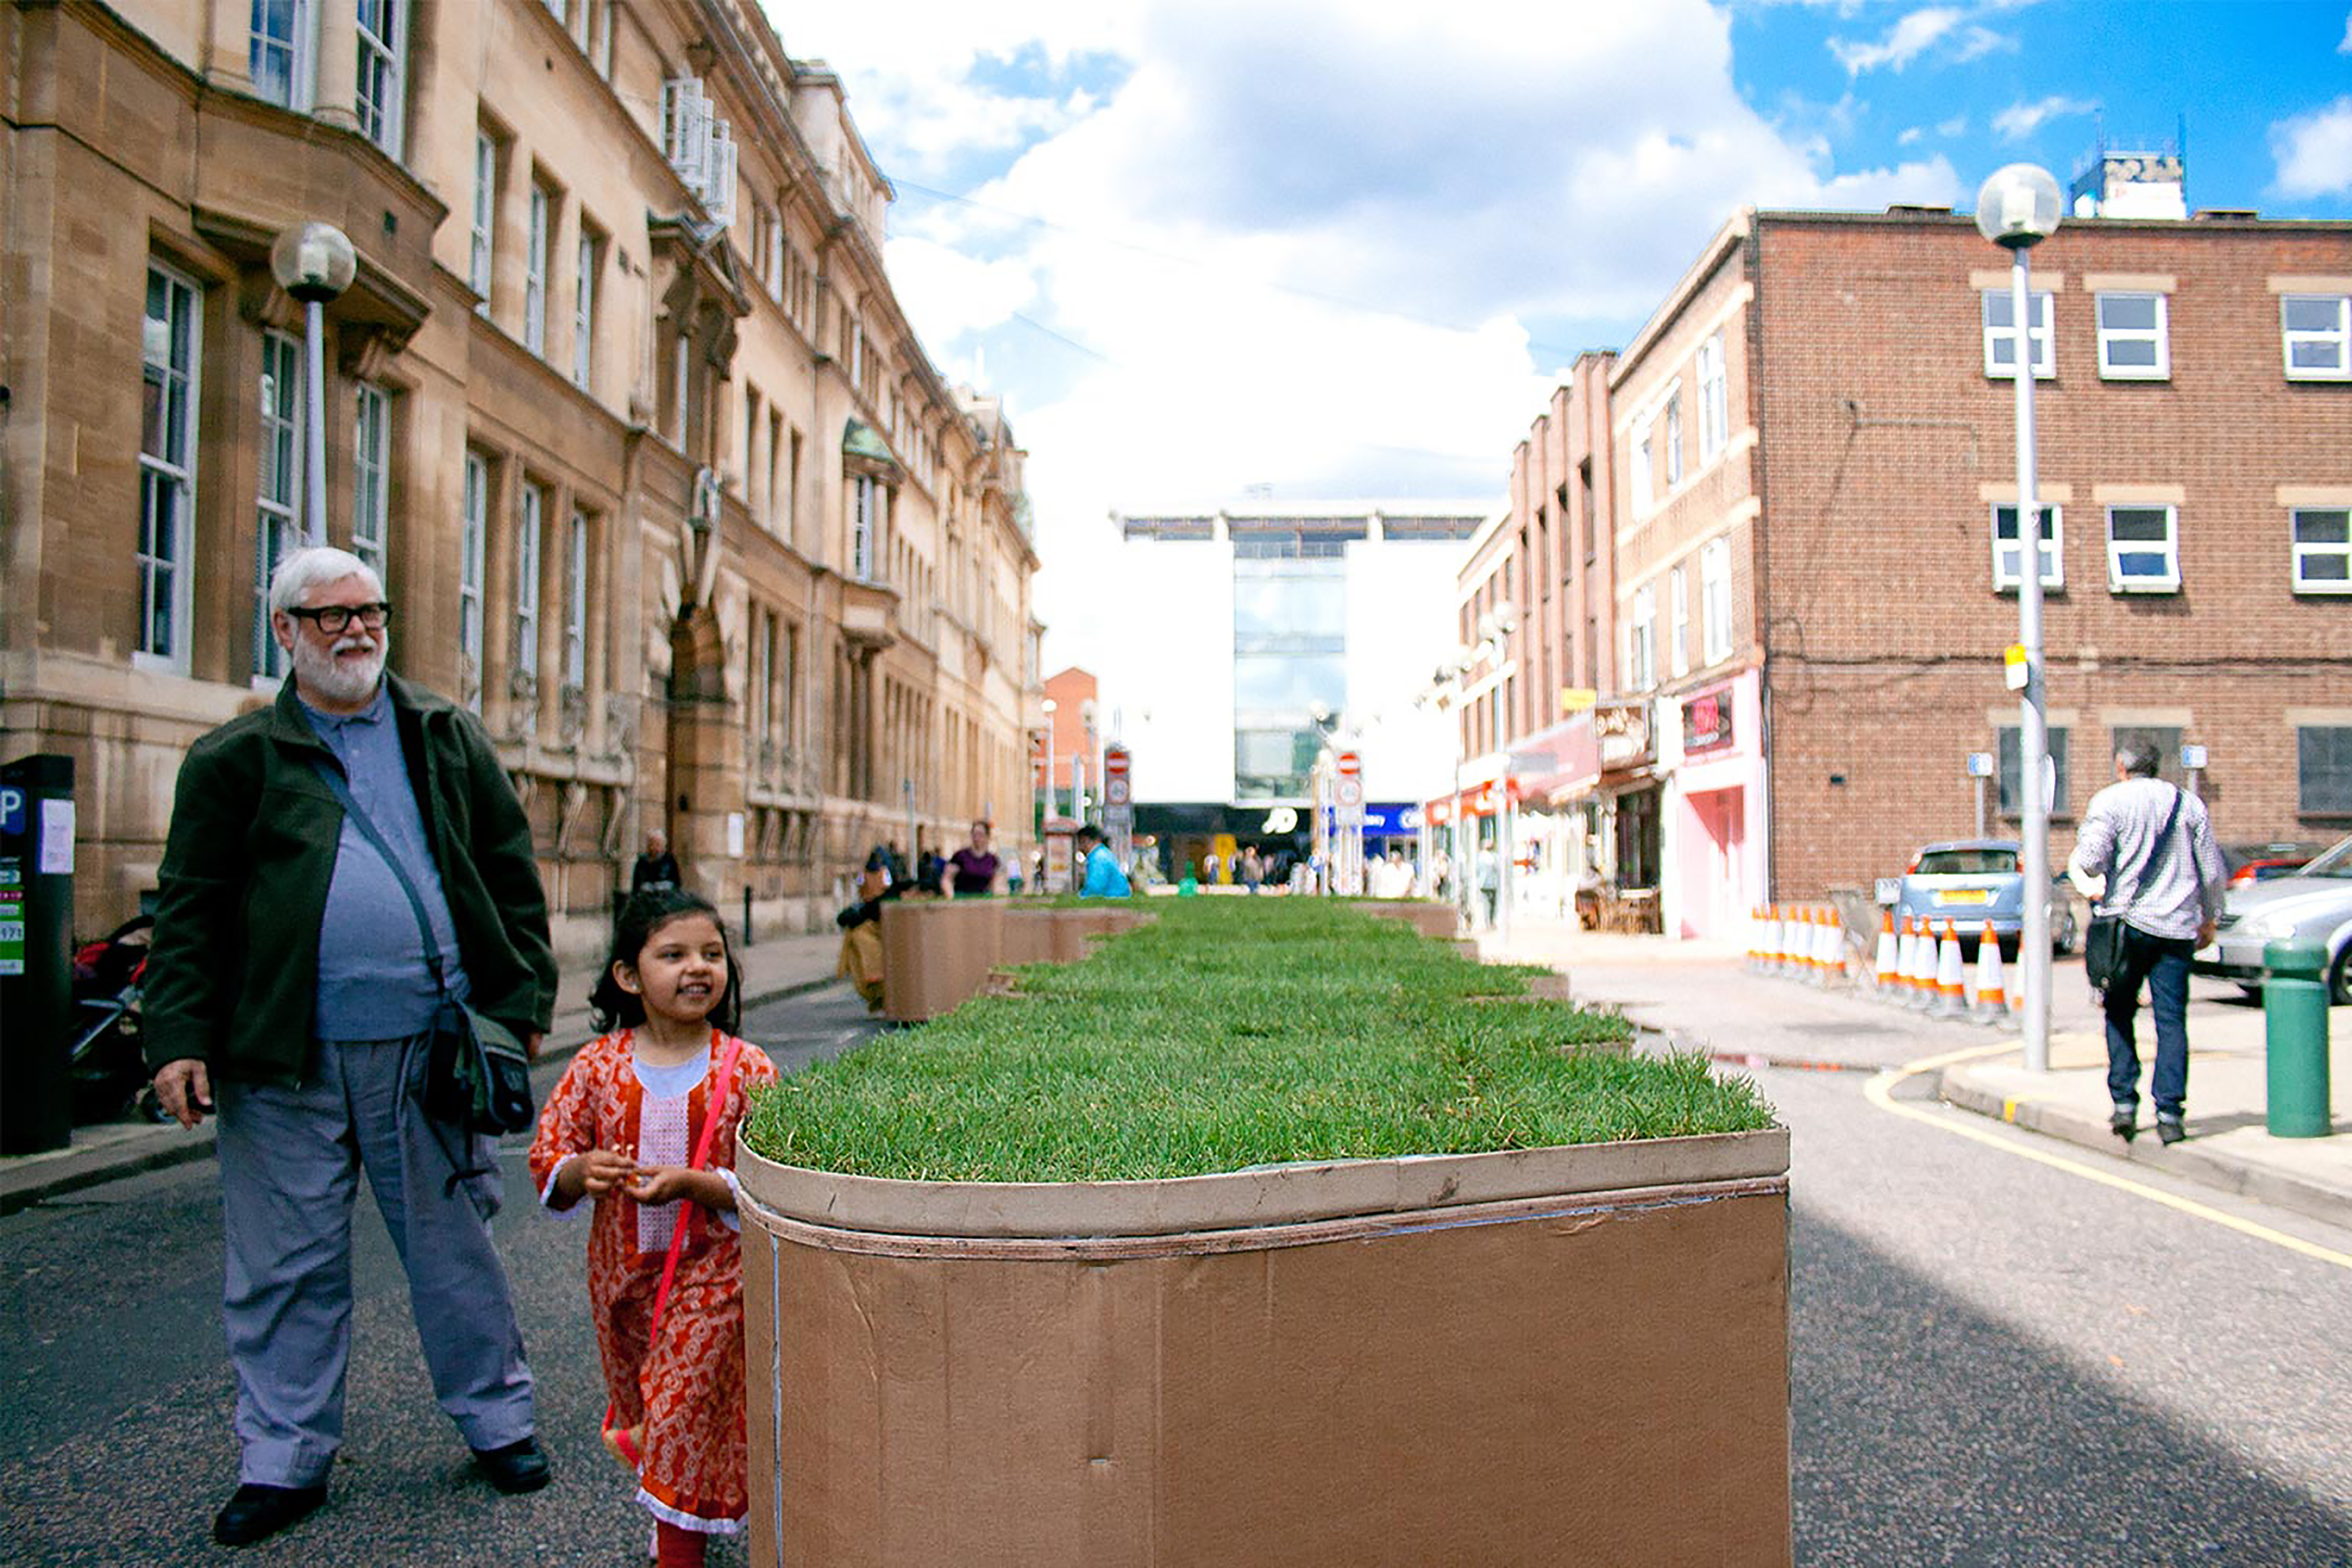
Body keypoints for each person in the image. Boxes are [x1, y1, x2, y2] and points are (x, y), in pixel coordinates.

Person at [142, 546, 557, 1547]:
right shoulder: (233, 760)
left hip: (428, 1046)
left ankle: (500, 1422)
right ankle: (283, 1458)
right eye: (327, 616)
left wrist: (522, 1001)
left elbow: (508, 869)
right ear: (283, 631)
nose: (355, 630)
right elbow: (191, 910)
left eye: (368, 610)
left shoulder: (441, 734)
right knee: (284, 1265)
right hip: (277, 1057)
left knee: (455, 1251)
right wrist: (178, 1038)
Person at [530, 890, 778, 1568]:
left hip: (715, 1275)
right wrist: (582, 1169)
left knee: (679, 1404)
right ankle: (674, 1502)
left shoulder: (748, 1069)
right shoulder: (595, 1067)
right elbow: (549, 1156)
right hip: (624, 1280)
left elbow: (770, 1176)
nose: (697, 968)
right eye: (673, 955)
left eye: (711, 954)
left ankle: (676, 1551)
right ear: (629, 976)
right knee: (650, 1407)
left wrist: (696, 1185)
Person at [2067, 739, 2226, 1146]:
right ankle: (2170, 1112)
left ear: (2121, 765)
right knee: (2172, 1021)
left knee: (2119, 1011)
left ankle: (2124, 1102)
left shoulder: (2110, 801)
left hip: (2127, 926)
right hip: (2176, 928)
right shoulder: (2189, 805)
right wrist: (2210, 919)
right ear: (2157, 767)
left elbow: (2089, 860)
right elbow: (2211, 871)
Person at [1075, 824, 1132, 898]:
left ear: (1086, 840)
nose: (1080, 848)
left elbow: (1095, 888)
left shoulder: (1098, 859)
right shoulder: (1104, 854)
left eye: (1080, 843)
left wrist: (1081, 896)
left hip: (1112, 899)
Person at [948, 820, 1001, 897]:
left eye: (980, 834)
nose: (977, 837)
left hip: (983, 901)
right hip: (961, 899)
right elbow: (947, 879)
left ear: (988, 837)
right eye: (974, 834)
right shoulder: (960, 856)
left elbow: (995, 884)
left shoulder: (993, 860)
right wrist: (951, 897)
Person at [631, 830, 681, 894]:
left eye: (658, 845)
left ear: (664, 846)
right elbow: (637, 884)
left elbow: (676, 883)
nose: (654, 848)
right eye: (652, 844)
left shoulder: (670, 860)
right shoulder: (642, 861)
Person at [1476, 842, 1502, 927]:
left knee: (1486, 904)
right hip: (1492, 884)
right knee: (1493, 904)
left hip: (1483, 884)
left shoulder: (1480, 857)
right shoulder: (1495, 857)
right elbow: (1498, 869)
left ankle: (1488, 921)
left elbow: (1477, 870)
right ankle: (1491, 921)